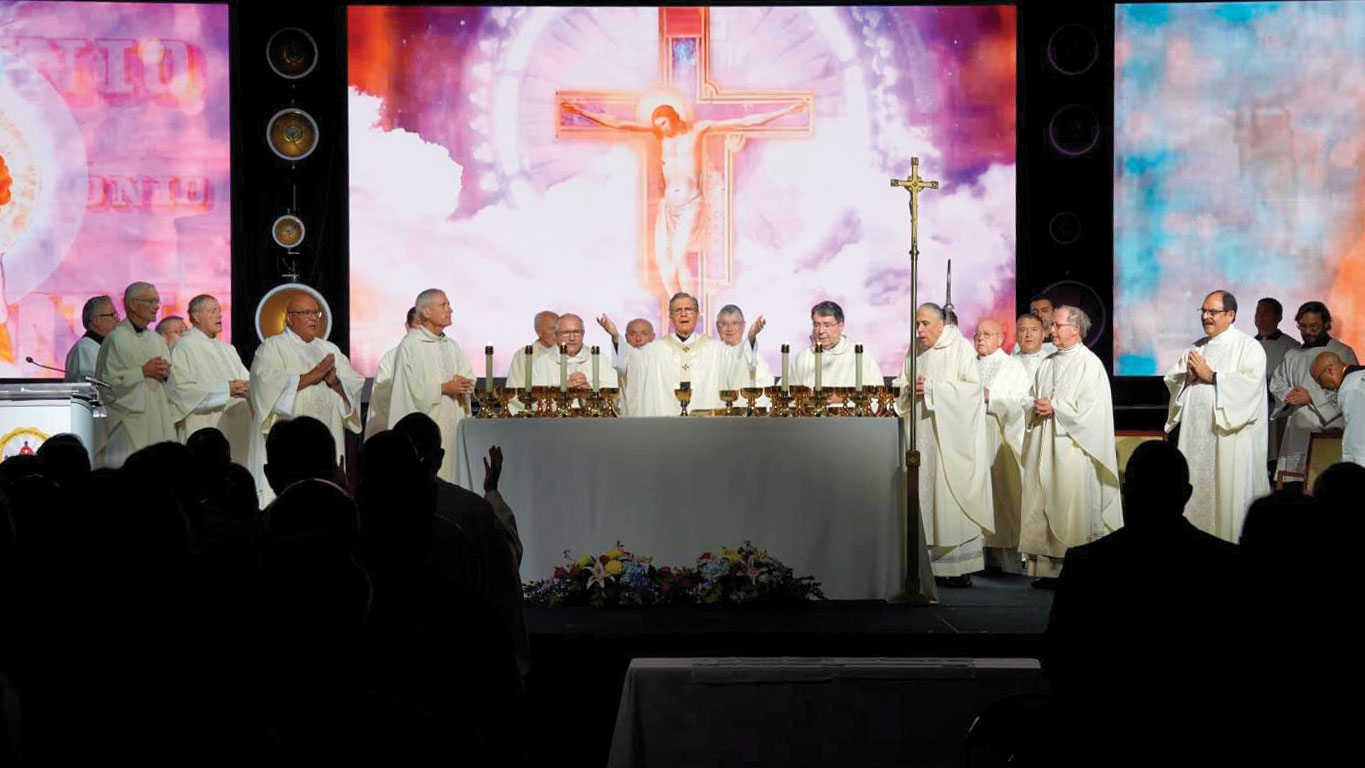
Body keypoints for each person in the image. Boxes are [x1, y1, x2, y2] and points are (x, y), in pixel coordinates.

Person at [1045, 441, 1251, 766]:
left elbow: (1060, 657)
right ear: (1186, 494)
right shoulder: (1226, 564)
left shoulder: (1088, 564)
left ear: (1127, 493)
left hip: (1105, 732)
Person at [564, 100, 805, 299]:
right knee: (663, 259)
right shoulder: (660, 136)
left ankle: (689, 307)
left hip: (691, 204)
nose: (663, 129)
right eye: (658, 125)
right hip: (668, 206)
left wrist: (787, 110)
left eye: (665, 123)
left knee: (679, 256)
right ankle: (675, 305)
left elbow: (743, 121)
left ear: (674, 117)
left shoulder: (697, 130)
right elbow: (618, 124)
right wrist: (579, 111)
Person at [1019, 305, 1122, 581]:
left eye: (1056, 325)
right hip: (1044, 444)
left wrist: (1056, 408)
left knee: (1070, 507)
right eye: (1051, 325)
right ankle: (1046, 571)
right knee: (1042, 504)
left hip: (1073, 449)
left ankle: (1073, 571)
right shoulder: (1047, 362)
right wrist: (1034, 405)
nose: (1051, 331)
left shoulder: (1090, 364)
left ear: (1075, 330)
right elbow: (1030, 398)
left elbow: (1092, 412)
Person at [897, 303, 993, 584]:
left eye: (925, 324)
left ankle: (956, 569)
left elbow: (973, 392)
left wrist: (932, 389)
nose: (919, 330)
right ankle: (924, 566)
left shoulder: (960, 348)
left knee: (947, 494)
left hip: (950, 439)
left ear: (942, 325)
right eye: (917, 324)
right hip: (919, 432)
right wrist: (908, 390)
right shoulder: (915, 349)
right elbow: (903, 383)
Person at [1164, 290, 1268, 541]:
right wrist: (1186, 377)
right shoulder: (1196, 348)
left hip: (1227, 437)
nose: (1206, 317)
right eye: (1203, 311)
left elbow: (1249, 386)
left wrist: (1212, 376)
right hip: (1196, 435)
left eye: (1213, 312)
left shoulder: (1248, 347)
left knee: (1225, 495)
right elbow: (1172, 379)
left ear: (1230, 315)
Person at [247, 291, 364, 506]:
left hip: (328, 431)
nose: (313, 318)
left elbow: (354, 384)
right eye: (306, 313)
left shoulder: (329, 349)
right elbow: (265, 385)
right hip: (290, 439)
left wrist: (335, 383)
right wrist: (312, 375)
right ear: (290, 318)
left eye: (316, 313)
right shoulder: (272, 347)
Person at [598, 292, 763, 416]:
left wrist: (750, 338)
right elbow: (630, 363)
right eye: (677, 311)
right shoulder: (654, 351)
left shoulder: (717, 350)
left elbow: (738, 360)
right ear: (670, 317)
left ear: (697, 315)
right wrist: (615, 337)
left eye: (689, 310)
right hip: (666, 431)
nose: (683, 314)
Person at [387, 289, 475, 482]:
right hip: (427, 426)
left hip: (452, 424)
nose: (449, 309)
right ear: (426, 312)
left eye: (449, 305)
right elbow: (408, 390)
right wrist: (444, 388)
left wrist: (465, 383)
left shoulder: (451, 345)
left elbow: (468, 376)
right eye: (443, 305)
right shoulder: (411, 345)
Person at [93, 282, 185, 468]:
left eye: (157, 301)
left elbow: (170, 381)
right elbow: (106, 384)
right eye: (151, 301)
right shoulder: (116, 339)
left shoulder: (157, 339)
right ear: (133, 304)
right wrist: (142, 372)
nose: (157, 306)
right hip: (129, 420)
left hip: (158, 416)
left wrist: (166, 373)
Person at [1269, 301, 1358, 482]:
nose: (1307, 332)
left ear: (1326, 324)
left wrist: (1311, 397)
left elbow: (1350, 390)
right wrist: (1290, 395)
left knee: (1326, 482)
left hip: (1329, 427)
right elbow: (1277, 384)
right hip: (1297, 428)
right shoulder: (1292, 355)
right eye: (1303, 326)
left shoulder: (1342, 352)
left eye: (1314, 326)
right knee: (1294, 484)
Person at [167, 294, 251, 465]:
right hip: (204, 426)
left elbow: (246, 379)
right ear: (196, 316)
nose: (219, 315)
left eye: (220, 311)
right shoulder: (183, 346)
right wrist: (226, 389)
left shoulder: (228, 348)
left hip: (236, 425)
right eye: (213, 311)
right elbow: (180, 391)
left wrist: (248, 386)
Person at [975, 319, 1031, 573]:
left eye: (987, 334)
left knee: (1002, 495)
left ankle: (1005, 561)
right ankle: (977, 555)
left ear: (1001, 338)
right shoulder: (969, 364)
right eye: (977, 334)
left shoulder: (1012, 366)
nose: (980, 338)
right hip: (973, 438)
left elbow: (1020, 402)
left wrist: (992, 397)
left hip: (1000, 439)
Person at [785, 301, 883, 395]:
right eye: (816, 325)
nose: (821, 331)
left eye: (827, 325)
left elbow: (875, 396)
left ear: (841, 326)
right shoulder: (804, 357)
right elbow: (786, 394)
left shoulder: (859, 356)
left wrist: (842, 398)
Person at [1255, 297, 1300, 470]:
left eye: (1265, 312)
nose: (1259, 316)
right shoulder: (1247, 346)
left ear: (1278, 317)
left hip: (1277, 414)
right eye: (1257, 312)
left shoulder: (1291, 347)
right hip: (1252, 412)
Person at [364, 306, 419, 438]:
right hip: (402, 430)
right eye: (418, 326)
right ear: (407, 327)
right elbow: (381, 402)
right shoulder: (392, 358)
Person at [530, 313, 618, 394]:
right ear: (556, 335)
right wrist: (563, 390)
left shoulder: (600, 359)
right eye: (566, 333)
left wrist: (591, 392)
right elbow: (536, 402)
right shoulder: (543, 362)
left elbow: (616, 397)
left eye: (577, 332)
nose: (572, 338)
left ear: (583, 334)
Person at [1310, 351, 1365, 468]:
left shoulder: (1350, 387)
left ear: (1329, 370)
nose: (1322, 386)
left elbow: (1357, 439)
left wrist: (1350, 469)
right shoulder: (1360, 376)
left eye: (1319, 380)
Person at [715, 304, 773, 389]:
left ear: (743, 326)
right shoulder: (710, 355)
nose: (729, 329)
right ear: (717, 327)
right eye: (724, 324)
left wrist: (751, 337)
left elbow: (767, 387)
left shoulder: (755, 357)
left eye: (734, 323)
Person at [64, 295, 118, 382]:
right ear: (96, 320)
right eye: (112, 315)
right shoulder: (85, 348)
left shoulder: (104, 345)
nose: (118, 319)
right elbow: (93, 386)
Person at [504, 310, 559, 391]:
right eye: (553, 329)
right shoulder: (523, 356)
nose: (558, 333)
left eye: (560, 329)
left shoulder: (570, 352)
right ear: (539, 332)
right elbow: (514, 390)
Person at [1012, 314, 1049, 380]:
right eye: (1023, 330)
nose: (1028, 335)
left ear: (1043, 334)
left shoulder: (1051, 362)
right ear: (1016, 335)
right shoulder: (1008, 364)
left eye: (1034, 329)